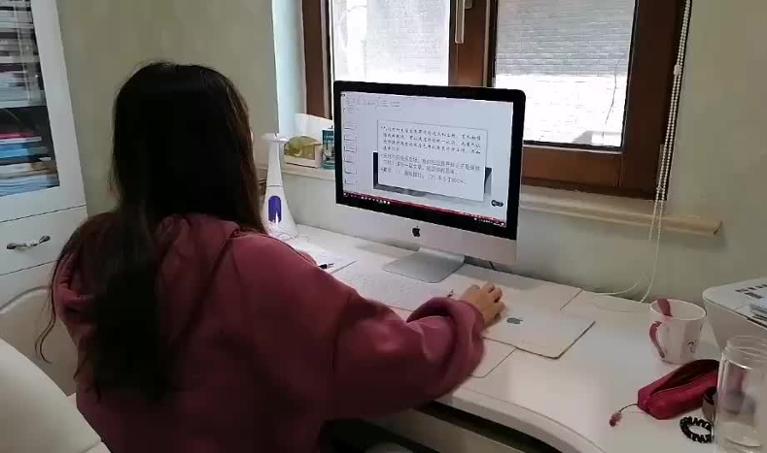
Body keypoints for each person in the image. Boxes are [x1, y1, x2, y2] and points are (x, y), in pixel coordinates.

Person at [39, 62, 505, 453]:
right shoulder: (250, 266)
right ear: (227, 153)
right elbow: (397, 362)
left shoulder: (94, 248)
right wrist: (464, 316)